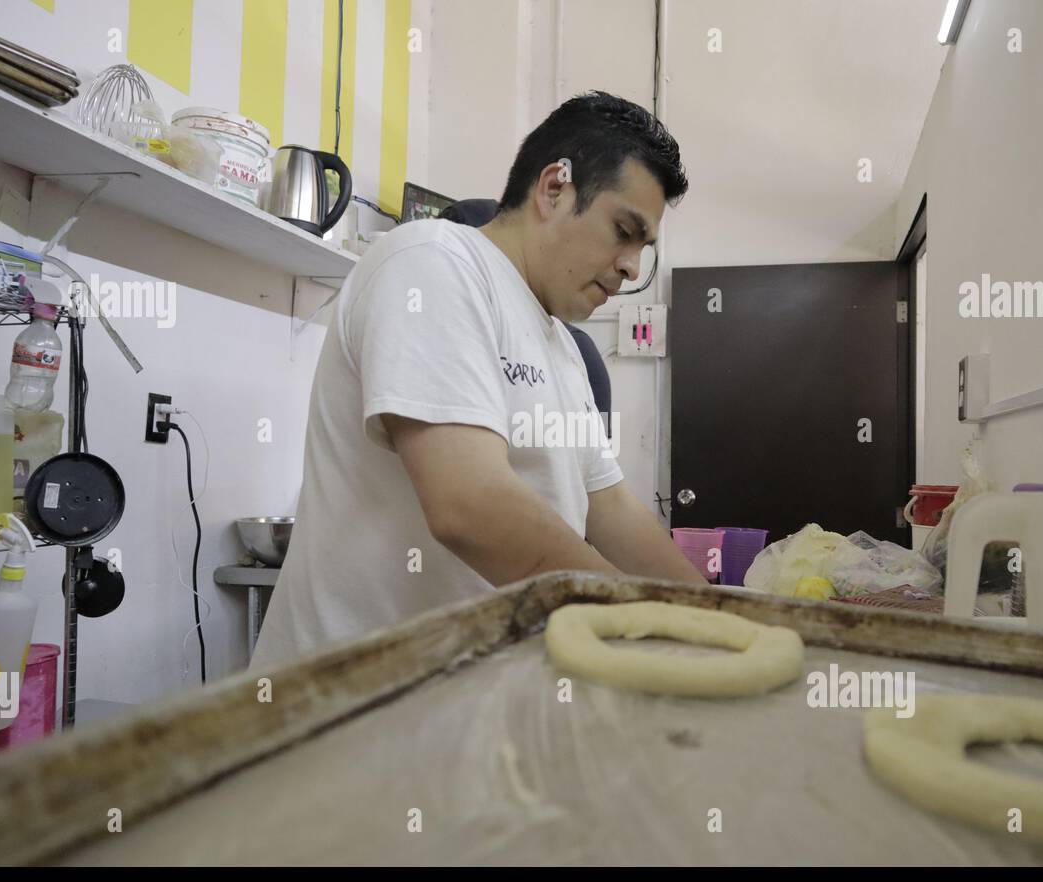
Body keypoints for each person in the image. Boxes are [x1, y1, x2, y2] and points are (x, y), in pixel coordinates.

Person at [251, 91, 705, 669]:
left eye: (644, 247)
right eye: (624, 230)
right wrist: (644, 619)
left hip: (468, 698)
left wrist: (715, 615)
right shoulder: (432, 262)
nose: (631, 266)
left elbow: (610, 507)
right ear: (554, 188)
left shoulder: (562, 346)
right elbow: (468, 503)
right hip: (355, 704)